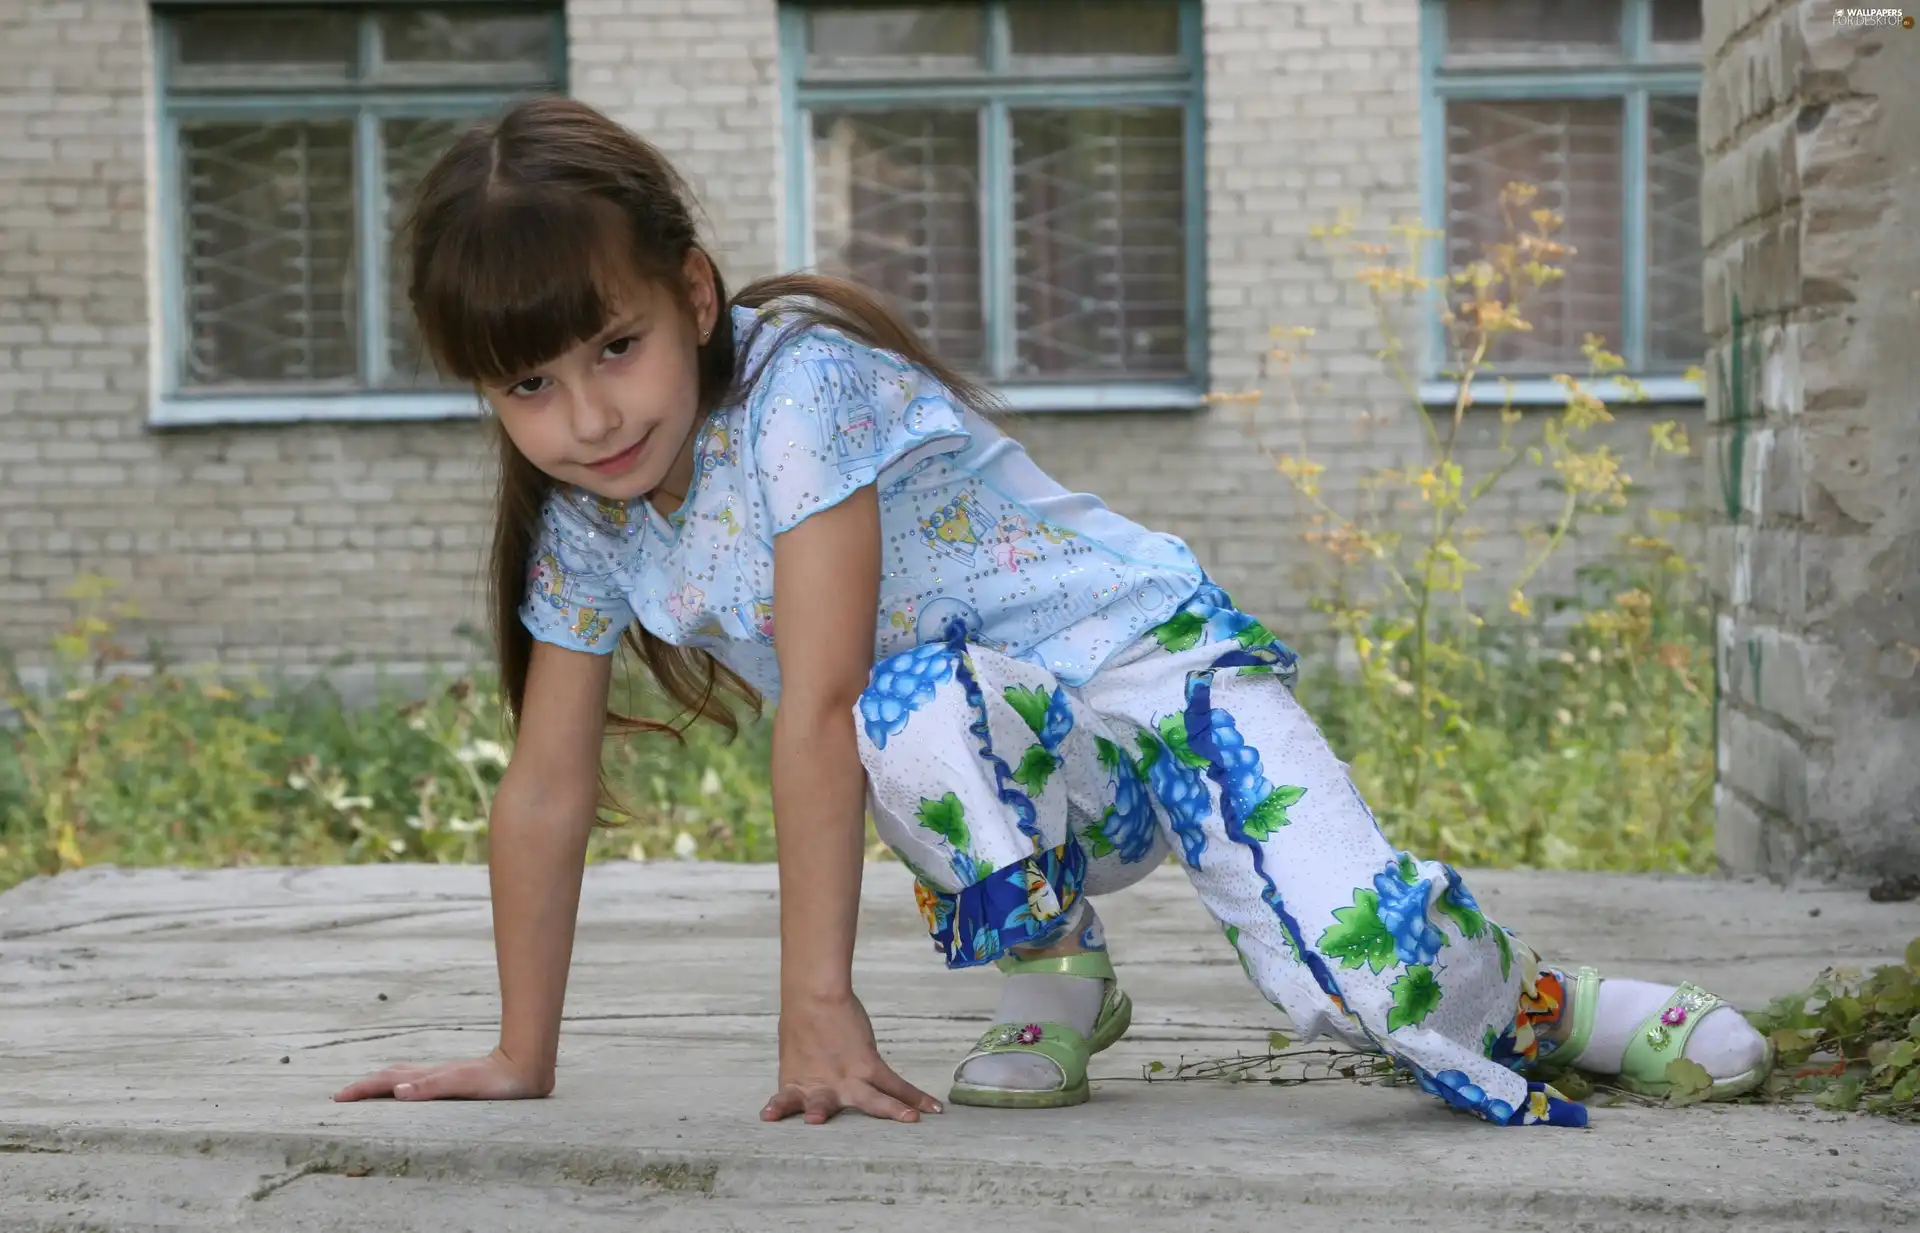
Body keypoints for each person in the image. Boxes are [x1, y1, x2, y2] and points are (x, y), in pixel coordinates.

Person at [332, 97, 1771, 1127]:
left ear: (693, 295)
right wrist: (524, 1053)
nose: (585, 417)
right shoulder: (586, 518)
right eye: (528, 386)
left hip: (1151, 673)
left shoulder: (802, 397)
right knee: (912, 712)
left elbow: (813, 700)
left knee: (1362, 991)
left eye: (615, 348)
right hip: (1016, 745)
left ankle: (1546, 1006)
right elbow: (546, 788)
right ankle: (1061, 974)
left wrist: (815, 1006)